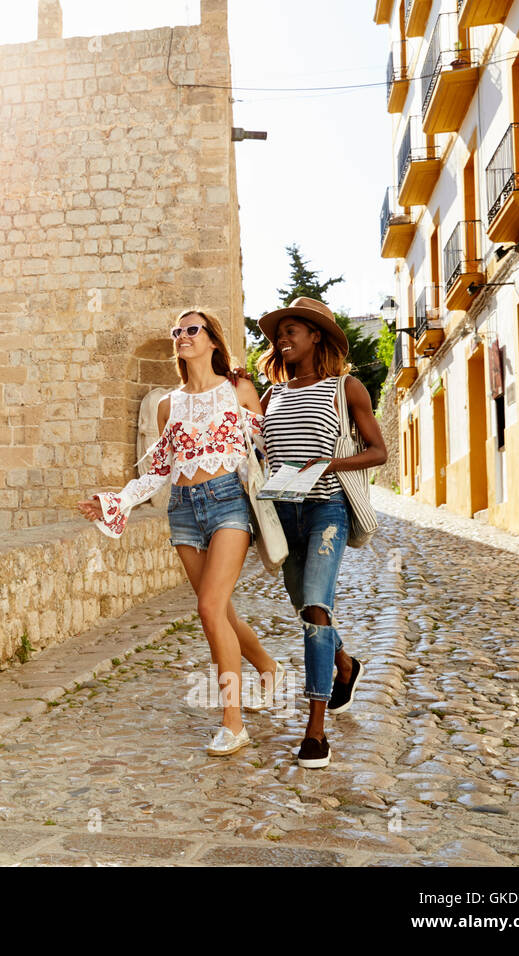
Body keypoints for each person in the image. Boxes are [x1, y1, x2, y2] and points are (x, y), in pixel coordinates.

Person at [76, 309, 283, 756]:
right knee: (220, 612)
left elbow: (269, 447)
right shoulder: (167, 404)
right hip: (185, 511)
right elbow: (159, 472)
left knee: (209, 607)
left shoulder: (238, 389)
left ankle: (233, 722)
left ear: (212, 340)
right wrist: (115, 501)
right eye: (177, 331)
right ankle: (267, 667)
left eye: (192, 330)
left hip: (229, 499)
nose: (182, 336)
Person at [255, 296, 388, 769]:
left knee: (316, 604)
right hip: (284, 515)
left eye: (293, 330)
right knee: (307, 610)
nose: (283, 339)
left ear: (316, 336)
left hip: (326, 510)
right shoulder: (269, 395)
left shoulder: (345, 388)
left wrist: (330, 462)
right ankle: (345, 664)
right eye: (279, 333)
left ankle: (314, 731)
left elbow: (378, 452)